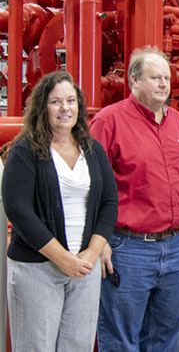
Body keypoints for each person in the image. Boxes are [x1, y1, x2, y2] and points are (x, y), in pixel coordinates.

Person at [91, 46, 179, 351]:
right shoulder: (109, 121)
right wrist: (98, 240)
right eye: (155, 78)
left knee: (170, 337)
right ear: (134, 80)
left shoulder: (178, 121)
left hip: (177, 247)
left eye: (166, 78)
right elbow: (91, 185)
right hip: (128, 248)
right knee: (121, 338)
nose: (163, 84)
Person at [2, 71, 118, 351]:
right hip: (37, 268)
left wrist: (91, 253)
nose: (65, 108)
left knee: (77, 345)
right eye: (55, 102)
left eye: (70, 100)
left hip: (84, 268)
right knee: (36, 346)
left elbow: (109, 202)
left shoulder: (93, 149)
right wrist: (62, 258)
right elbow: (19, 210)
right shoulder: (24, 151)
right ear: (42, 108)